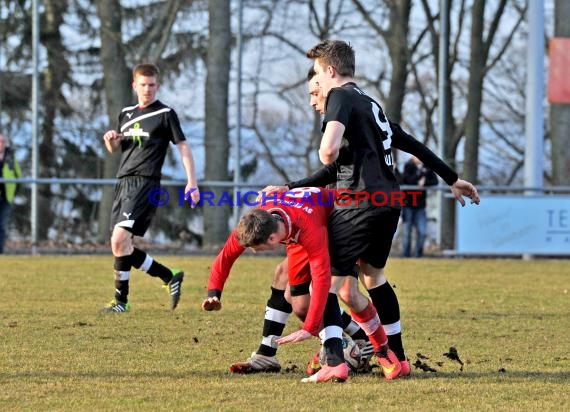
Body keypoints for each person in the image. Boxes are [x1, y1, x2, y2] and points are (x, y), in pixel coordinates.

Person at [273, 40, 480, 379]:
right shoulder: (371, 104)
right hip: (388, 203)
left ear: (330, 71)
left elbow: (329, 153)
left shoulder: (339, 97)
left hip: (358, 202)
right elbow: (410, 141)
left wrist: (327, 146)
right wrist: (452, 179)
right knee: (373, 277)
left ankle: (335, 362)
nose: (317, 90)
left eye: (317, 79)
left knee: (324, 284)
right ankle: (398, 358)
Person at [202, 187, 360, 383]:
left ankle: (352, 341)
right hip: (296, 227)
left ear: (272, 238)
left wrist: (309, 328)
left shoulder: (309, 228)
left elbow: (322, 280)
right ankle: (267, 354)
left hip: (337, 221)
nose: (253, 251)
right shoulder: (257, 220)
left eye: (255, 247)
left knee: (305, 305)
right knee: (284, 279)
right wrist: (214, 292)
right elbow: (225, 256)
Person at [101, 63, 200, 313]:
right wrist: (110, 141)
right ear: (134, 86)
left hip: (145, 182)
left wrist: (192, 181)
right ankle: (169, 276)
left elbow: (184, 147)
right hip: (123, 181)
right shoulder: (125, 114)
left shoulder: (165, 113)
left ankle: (121, 303)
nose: (147, 89)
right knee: (120, 245)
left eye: (152, 85)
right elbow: (116, 151)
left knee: (120, 238)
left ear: (158, 86)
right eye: (143, 85)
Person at [400, 156, 438, 257]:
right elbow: (406, 180)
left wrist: (424, 182)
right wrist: (420, 178)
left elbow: (435, 181)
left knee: (422, 231)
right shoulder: (408, 166)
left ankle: (418, 255)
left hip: (421, 206)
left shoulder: (427, 167)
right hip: (408, 205)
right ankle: (406, 256)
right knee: (407, 233)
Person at [0, 133, 22, 254]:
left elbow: (19, 177)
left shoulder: (10, 158)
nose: (1, 144)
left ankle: (0, 251)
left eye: (3, 141)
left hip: (6, 197)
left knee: (2, 226)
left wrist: (13, 193)